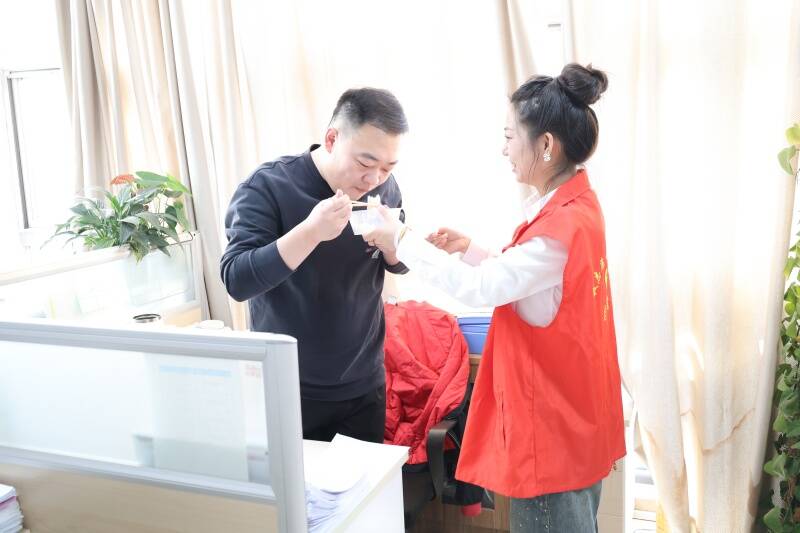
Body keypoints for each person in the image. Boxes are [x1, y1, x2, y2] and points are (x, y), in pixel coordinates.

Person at [363, 64, 626, 532]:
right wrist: (472, 250)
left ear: (546, 145)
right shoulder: (577, 208)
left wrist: (401, 240)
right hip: (577, 416)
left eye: (509, 136)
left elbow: (486, 287)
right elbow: (533, 281)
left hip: (554, 432)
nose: (504, 149)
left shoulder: (558, 230)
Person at [220, 88, 409, 443]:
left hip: (363, 386)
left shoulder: (384, 188)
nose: (374, 180)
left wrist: (394, 245)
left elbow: (394, 262)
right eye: (365, 164)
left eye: (387, 168)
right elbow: (237, 280)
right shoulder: (268, 186)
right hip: (287, 388)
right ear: (332, 139)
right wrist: (310, 232)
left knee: (365, 481)